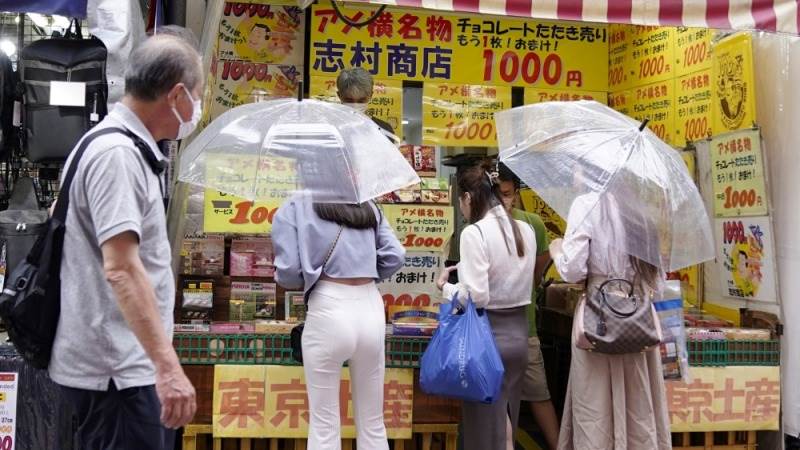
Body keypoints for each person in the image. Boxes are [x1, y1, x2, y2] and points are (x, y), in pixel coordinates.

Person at [49, 35, 203, 450]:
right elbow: (121, 268)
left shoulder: (114, 145)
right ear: (176, 94)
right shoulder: (117, 154)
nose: (196, 111)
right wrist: (168, 368)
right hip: (116, 372)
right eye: (197, 97)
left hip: (119, 367)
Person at [272, 197, 405, 450]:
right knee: (374, 423)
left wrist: (310, 275)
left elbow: (288, 273)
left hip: (328, 304)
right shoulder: (368, 205)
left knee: (324, 425)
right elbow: (395, 255)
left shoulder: (295, 206)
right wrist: (365, 270)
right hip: (370, 305)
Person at [549, 192, 671, 450]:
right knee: (638, 404)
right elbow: (657, 284)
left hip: (598, 318)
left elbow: (573, 270)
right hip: (636, 321)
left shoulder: (585, 204)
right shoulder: (641, 210)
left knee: (594, 405)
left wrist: (558, 250)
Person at [437, 161, 537, 450]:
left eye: (461, 201)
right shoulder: (525, 230)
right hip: (518, 334)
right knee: (507, 418)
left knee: (482, 427)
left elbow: (477, 296)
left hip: (486, 336)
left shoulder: (474, 233)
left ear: (468, 198)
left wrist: (447, 287)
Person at [497, 164, 560, 450]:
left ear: (517, 192)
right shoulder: (482, 226)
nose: (503, 201)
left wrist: (529, 286)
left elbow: (541, 267)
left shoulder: (533, 223)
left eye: (508, 194)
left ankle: (557, 445)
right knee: (497, 395)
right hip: (497, 326)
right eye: (498, 194)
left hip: (526, 325)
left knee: (538, 393)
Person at [336, 67, 396, 138]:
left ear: (370, 95)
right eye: (349, 100)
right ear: (339, 95)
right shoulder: (329, 127)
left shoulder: (384, 129)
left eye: (361, 101)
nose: (355, 105)